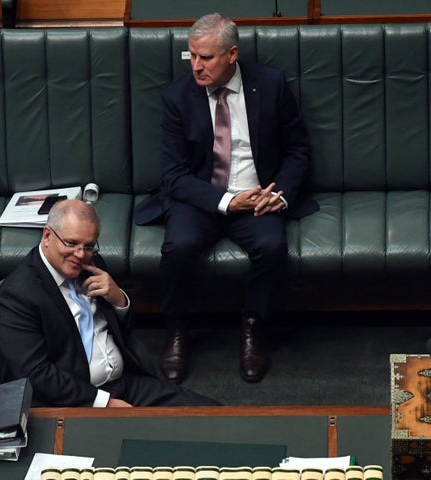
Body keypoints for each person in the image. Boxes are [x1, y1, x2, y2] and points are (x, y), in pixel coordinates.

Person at [134, 13, 318, 384]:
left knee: (271, 246)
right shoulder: (177, 96)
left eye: (206, 58)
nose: (196, 66)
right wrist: (225, 202)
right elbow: (172, 176)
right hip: (200, 197)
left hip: (258, 196)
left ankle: (254, 326)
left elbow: (298, 151)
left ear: (232, 54)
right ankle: (177, 327)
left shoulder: (271, 85)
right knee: (179, 246)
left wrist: (278, 195)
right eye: (192, 57)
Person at [0, 198, 219, 407]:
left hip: (125, 385)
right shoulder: (16, 296)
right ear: (47, 236)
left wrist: (119, 299)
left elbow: (125, 330)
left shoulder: (92, 264)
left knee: (217, 416)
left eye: (88, 246)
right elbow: (37, 375)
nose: (80, 255)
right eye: (71, 243)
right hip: (73, 402)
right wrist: (104, 402)